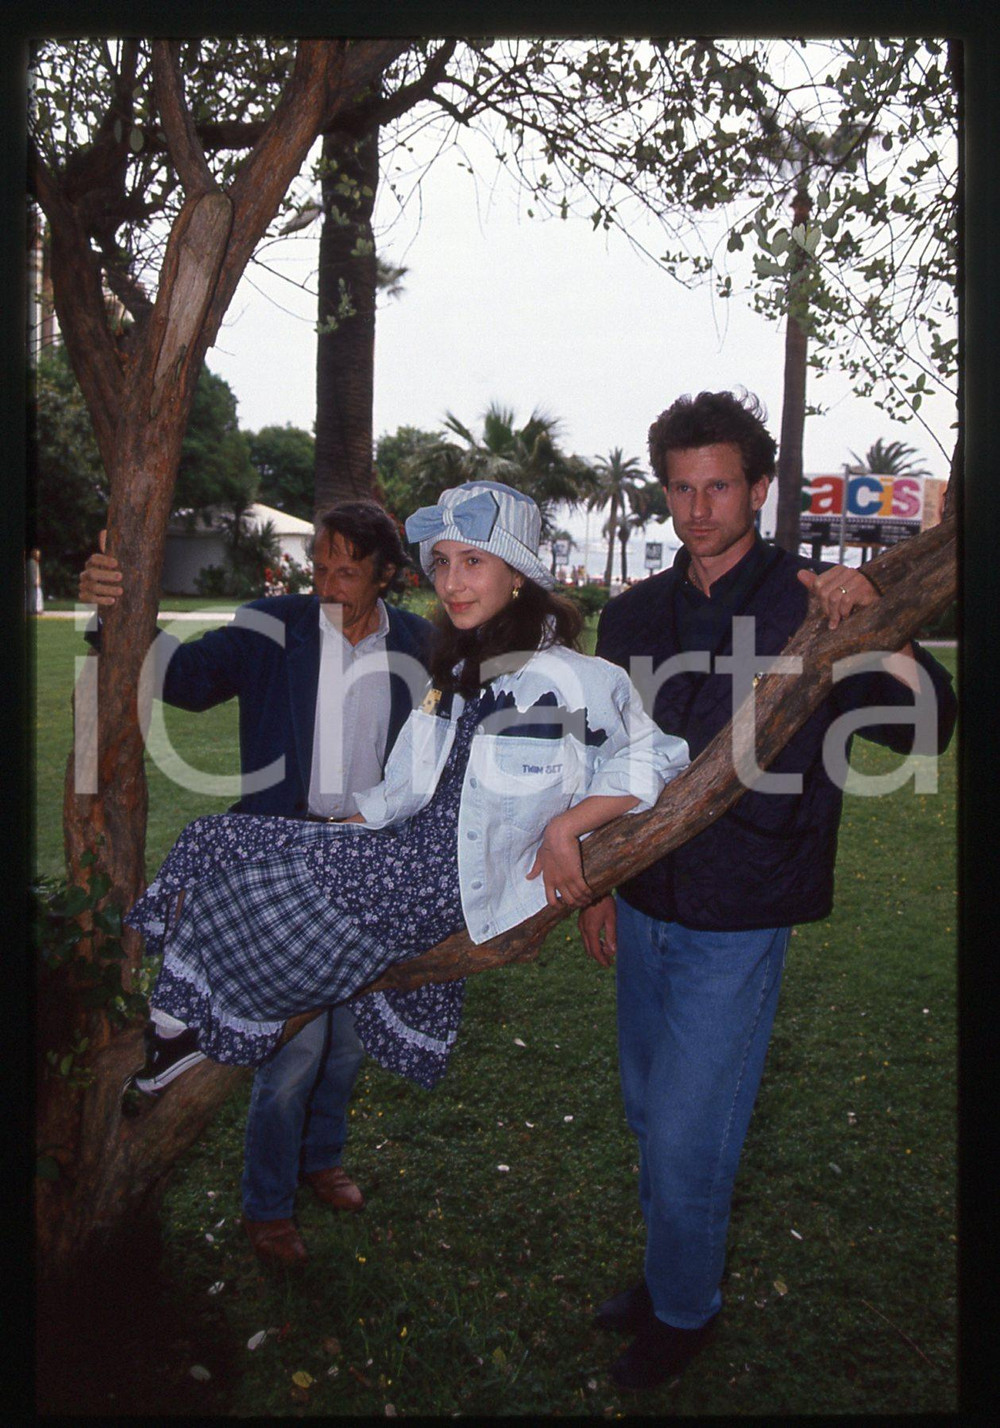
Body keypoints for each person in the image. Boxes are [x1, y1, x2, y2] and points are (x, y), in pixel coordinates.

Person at [579, 390, 958, 1391]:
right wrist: (596, 889)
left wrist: (885, 630)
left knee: (692, 1132)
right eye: (681, 488)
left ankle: (683, 1314)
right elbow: (603, 755)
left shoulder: (811, 599)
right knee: (647, 1114)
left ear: (757, 487)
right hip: (641, 896)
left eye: (720, 487)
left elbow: (922, 731)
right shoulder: (630, 615)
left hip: (740, 910)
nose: (699, 508)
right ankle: (668, 1274)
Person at [122, 481, 689, 1142]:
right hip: (403, 853)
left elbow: (658, 757)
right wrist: (336, 834)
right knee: (214, 841)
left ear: (517, 576)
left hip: (445, 882)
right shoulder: (452, 674)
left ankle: (188, 1027)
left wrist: (569, 825)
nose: (451, 581)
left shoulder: (577, 678)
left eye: (472, 561)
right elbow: (398, 789)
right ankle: (176, 1029)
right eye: (442, 562)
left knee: (260, 887)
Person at [78, 501, 434, 1268]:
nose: (330, 584)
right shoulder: (274, 624)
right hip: (285, 855)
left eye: (348, 569)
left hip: (372, 857)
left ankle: (321, 1159)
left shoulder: (418, 642)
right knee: (293, 1051)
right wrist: (113, 610)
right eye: (322, 567)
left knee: (344, 1044)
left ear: (386, 574)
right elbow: (189, 680)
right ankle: (268, 1202)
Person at [26, 547, 44, 614]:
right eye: (37, 554)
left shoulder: (36, 563)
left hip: (36, 582)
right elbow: (31, 573)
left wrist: (38, 580)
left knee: (38, 595)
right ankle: (31, 610)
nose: (39, 556)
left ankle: (36, 609)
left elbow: (37, 573)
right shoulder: (31, 562)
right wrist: (34, 581)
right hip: (33, 583)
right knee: (32, 596)